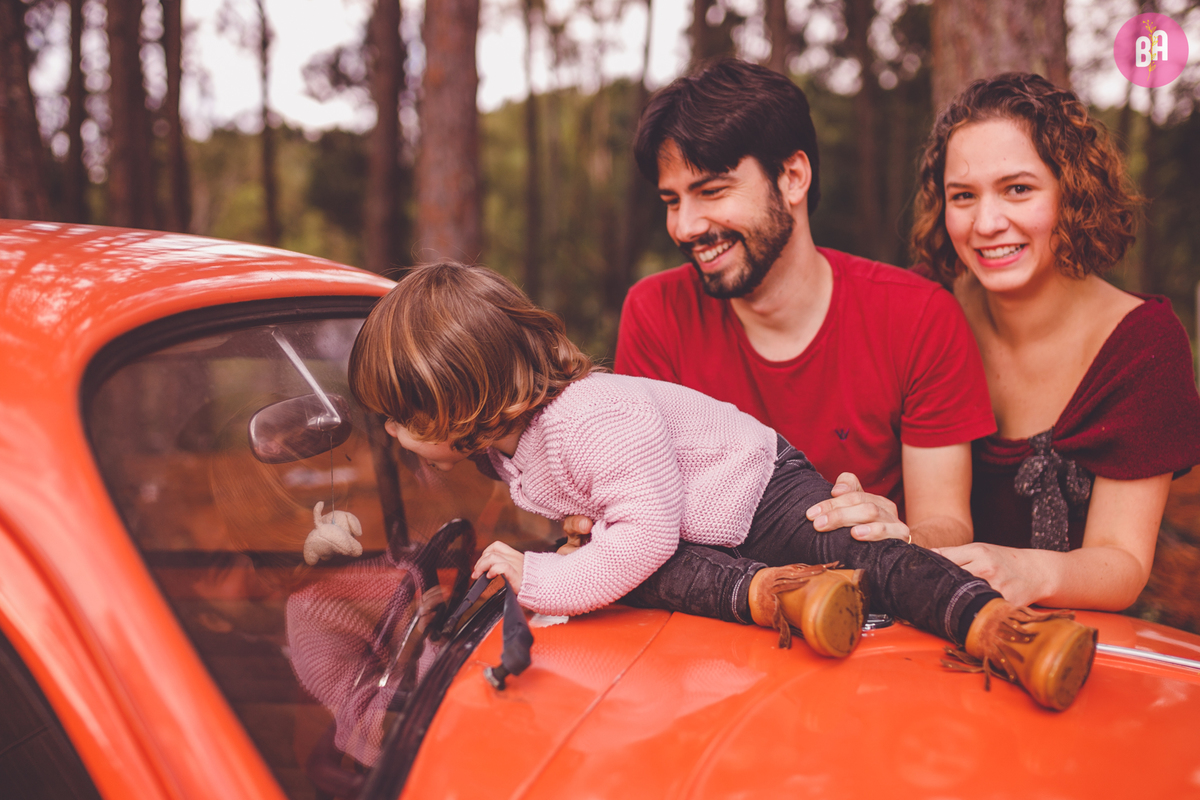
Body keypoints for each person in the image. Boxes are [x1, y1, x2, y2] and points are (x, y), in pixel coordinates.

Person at [347, 260, 1099, 711]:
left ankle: (1004, 630)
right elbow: (630, 533)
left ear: (460, 404)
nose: (389, 432)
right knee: (639, 574)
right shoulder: (504, 449)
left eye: (398, 418)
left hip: (756, 486)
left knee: (866, 553)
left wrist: (538, 575)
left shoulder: (588, 418)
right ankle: (791, 595)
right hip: (687, 525)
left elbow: (641, 534)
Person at [614, 59, 996, 548]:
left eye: (711, 191)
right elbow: (643, 505)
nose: (685, 227)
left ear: (793, 176)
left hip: (875, 589)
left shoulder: (919, 316)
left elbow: (948, 524)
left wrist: (899, 536)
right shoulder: (656, 312)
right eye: (672, 201)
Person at [909, 72, 1200, 611]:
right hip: (928, 625)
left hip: (1077, 636)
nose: (986, 222)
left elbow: (1122, 561)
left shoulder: (1143, 345)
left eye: (1017, 189)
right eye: (963, 196)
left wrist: (1028, 570)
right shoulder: (925, 307)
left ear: (1073, 192)